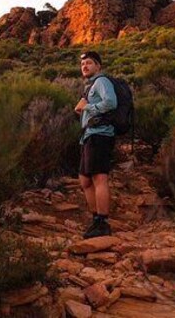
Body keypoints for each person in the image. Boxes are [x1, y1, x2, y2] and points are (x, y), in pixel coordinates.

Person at [74, 50, 117, 238]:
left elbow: (111, 102)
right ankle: (95, 220)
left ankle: (102, 222)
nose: (85, 66)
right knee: (84, 180)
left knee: (99, 178)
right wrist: (83, 111)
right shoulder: (90, 86)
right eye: (83, 64)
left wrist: (87, 107)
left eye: (89, 63)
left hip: (101, 135)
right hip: (89, 136)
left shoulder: (102, 82)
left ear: (98, 66)